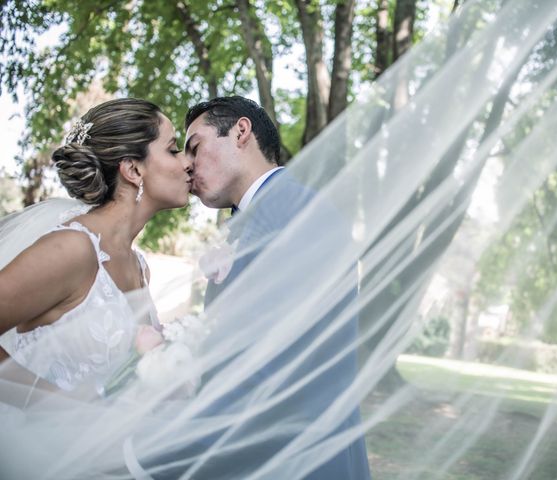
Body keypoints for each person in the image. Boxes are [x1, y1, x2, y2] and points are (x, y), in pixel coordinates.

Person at [181, 96, 371, 479]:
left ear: (240, 131)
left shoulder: (297, 215)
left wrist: (172, 452)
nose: (186, 165)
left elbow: (278, 367)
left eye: (195, 147)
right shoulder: (257, 219)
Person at [0, 98, 193, 395]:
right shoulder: (72, 249)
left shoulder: (140, 267)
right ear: (133, 170)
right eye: (172, 150)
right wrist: (46, 403)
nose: (187, 162)